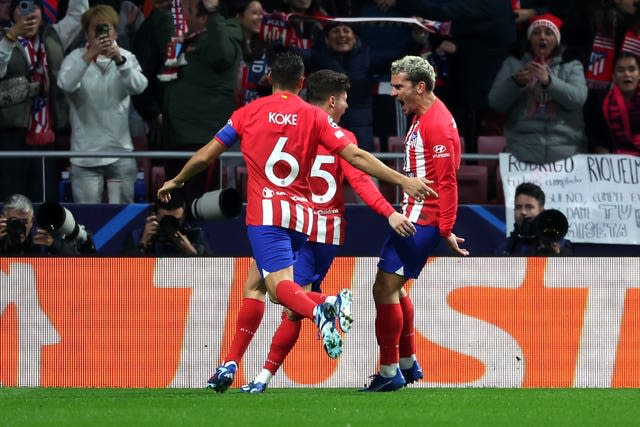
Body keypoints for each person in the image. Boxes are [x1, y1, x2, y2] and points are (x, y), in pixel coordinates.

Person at [156, 49, 434, 386]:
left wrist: (177, 180)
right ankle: (231, 365)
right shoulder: (315, 118)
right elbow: (357, 159)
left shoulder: (248, 112)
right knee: (257, 285)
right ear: (302, 83)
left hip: (266, 214)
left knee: (278, 291)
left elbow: (205, 155)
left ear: (270, 78)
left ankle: (323, 307)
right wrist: (402, 180)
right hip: (303, 218)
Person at [209, 69, 417, 394]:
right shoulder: (338, 136)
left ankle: (326, 307)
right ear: (332, 100)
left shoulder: (294, 129)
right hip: (317, 229)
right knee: (262, 287)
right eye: (345, 99)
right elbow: (360, 177)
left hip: (293, 223)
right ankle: (243, 369)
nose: (347, 106)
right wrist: (388, 210)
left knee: (285, 298)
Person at [360, 55, 469, 392]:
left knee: (384, 289)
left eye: (399, 86)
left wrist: (445, 229)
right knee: (394, 288)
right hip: (415, 219)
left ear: (420, 87)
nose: (393, 93)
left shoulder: (436, 124)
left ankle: (391, 370)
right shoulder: (427, 115)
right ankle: (407, 363)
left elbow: (448, 182)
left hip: (418, 222)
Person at [57, 4, 148, 204]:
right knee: (89, 220)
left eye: (106, 28)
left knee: (123, 219)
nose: (102, 34)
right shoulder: (74, 58)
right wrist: (89, 56)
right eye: (96, 29)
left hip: (120, 153)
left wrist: (120, 61)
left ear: (115, 31)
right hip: (85, 157)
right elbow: (66, 84)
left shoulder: (127, 57)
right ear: (86, 33)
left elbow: (140, 86)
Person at [0, 0, 88, 203]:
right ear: (13, 14)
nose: (30, 13)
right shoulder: (3, 38)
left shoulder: (54, 34)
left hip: (47, 134)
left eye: (35, 7)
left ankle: (43, 235)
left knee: (44, 196)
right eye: (23, 7)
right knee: (11, 196)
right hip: (12, 131)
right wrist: (12, 35)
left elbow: (78, 14)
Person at [488, 13, 588, 164]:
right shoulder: (514, 63)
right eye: (536, 33)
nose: (542, 37)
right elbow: (495, 103)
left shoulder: (572, 65)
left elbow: (578, 99)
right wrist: (516, 83)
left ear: (557, 40)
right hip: (522, 153)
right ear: (529, 39)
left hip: (566, 154)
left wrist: (549, 82)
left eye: (548, 33)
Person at [122, 187, 213, 255]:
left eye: (176, 220)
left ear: (184, 216)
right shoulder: (137, 236)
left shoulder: (196, 236)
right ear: (154, 215)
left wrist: (191, 252)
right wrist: (143, 243)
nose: (170, 225)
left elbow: (213, 276)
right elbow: (124, 274)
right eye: (165, 220)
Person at [0, 193, 96, 255]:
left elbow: (80, 261)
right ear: (3, 218)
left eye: (25, 221)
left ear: (32, 221)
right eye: (14, 221)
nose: (19, 227)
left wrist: (54, 245)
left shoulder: (44, 234)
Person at [494, 182, 573, 256]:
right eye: (518, 207)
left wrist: (554, 256)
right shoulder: (505, 247)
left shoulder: (561, 245)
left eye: (529, 207)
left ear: (541, 211)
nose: (523, 212)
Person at [601, 52, 640, 156]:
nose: (627, 74)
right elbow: (600, 140)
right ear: (613, 76)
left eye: (632, 69)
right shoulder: (603, 102)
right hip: (616, 162)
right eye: (620, 70)